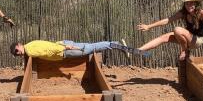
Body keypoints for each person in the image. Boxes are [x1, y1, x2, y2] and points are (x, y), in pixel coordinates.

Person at [136, 0, 203, 61]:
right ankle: (139, 50)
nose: (189, 6)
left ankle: (185, 51)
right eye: (187, 4)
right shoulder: (183, 13)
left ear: (196, 4)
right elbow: (167, 20)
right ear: (184, 5)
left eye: (192, 3)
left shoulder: (202, 13)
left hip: (197, 41)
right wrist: (149, 26)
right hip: (187, 38)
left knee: (177, 30)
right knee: (164, 37)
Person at [10, 39, 147, 61]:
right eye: (16, 54)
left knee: (90, 48)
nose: (18, 54)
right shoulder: (30, 44)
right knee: (90, 46)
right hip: (63, 45)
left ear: (19, 45)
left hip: (65, 50)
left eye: (17, 51)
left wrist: (64, 47)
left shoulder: (30, 51)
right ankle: (114, 44)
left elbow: (48, 49)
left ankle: (115, 44)